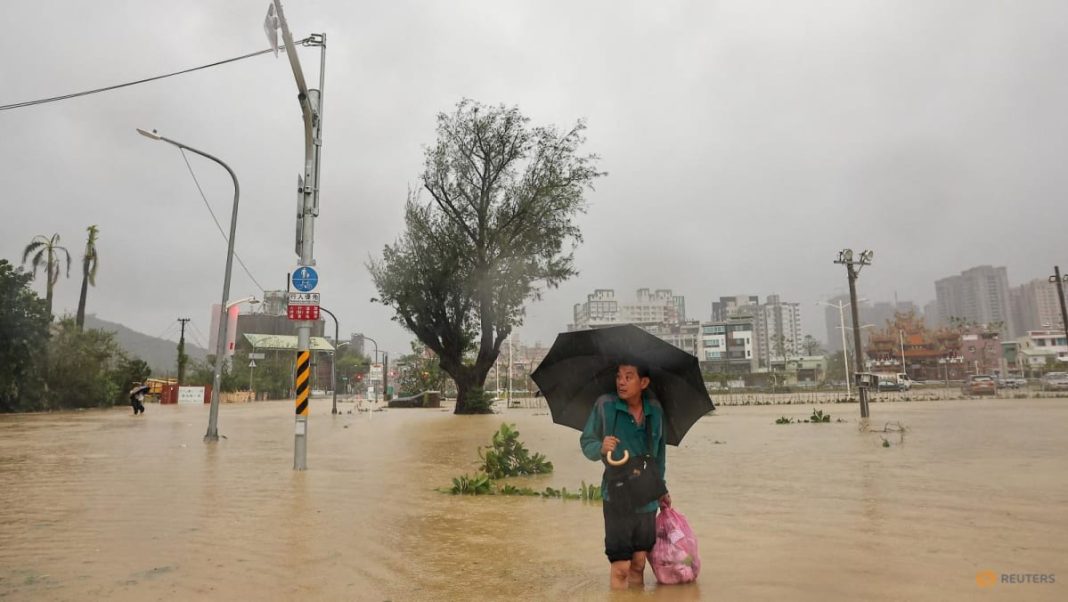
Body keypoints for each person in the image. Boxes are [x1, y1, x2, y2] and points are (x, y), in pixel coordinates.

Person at [580, 363, 671, 589]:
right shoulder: (605, 405)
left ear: (644, 383)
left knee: (639, 563)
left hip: (646, 496)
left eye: (629, 377)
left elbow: (659, 456)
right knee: (621, 567)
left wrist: (662, 489)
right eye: (619, 376)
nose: (621, 382)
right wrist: (601, 447)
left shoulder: (655, 411)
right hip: (616, 494)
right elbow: (586, 441)